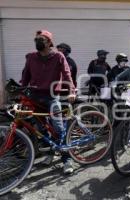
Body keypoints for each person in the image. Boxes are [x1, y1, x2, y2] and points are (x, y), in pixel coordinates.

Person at [21, 30, 76, 174]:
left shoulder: (58, 56)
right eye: (36, 39)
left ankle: (67, 159)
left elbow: (66, 74)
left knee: (58, 127)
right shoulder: (31, 57)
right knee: (42, 129)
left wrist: (71, 90)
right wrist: (20, 89)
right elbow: (25, 75)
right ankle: (50, 153)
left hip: (52, 96)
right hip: (34, 96)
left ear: (49, 42)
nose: (38, 42)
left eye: (42, 40)